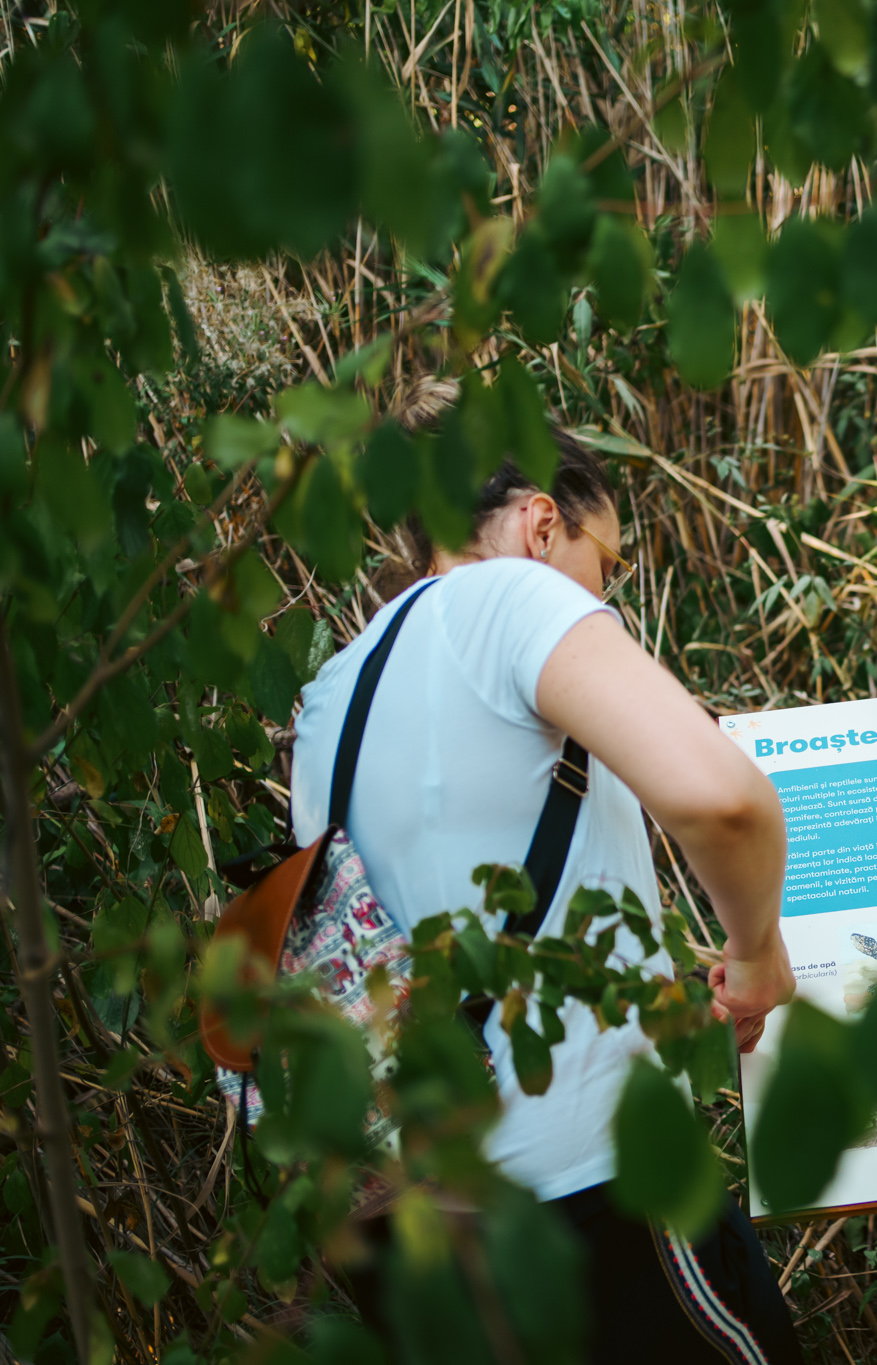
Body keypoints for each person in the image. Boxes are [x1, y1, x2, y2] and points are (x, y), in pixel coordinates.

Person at [291, 423, 804, 1362]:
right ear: (539, 526)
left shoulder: (337, 689)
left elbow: (428, 922)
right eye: (604, 560)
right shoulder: (512, 599)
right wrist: (756, 949)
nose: (605, 596)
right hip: (586, 1200)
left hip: (412, 1229)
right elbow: (726, 802)